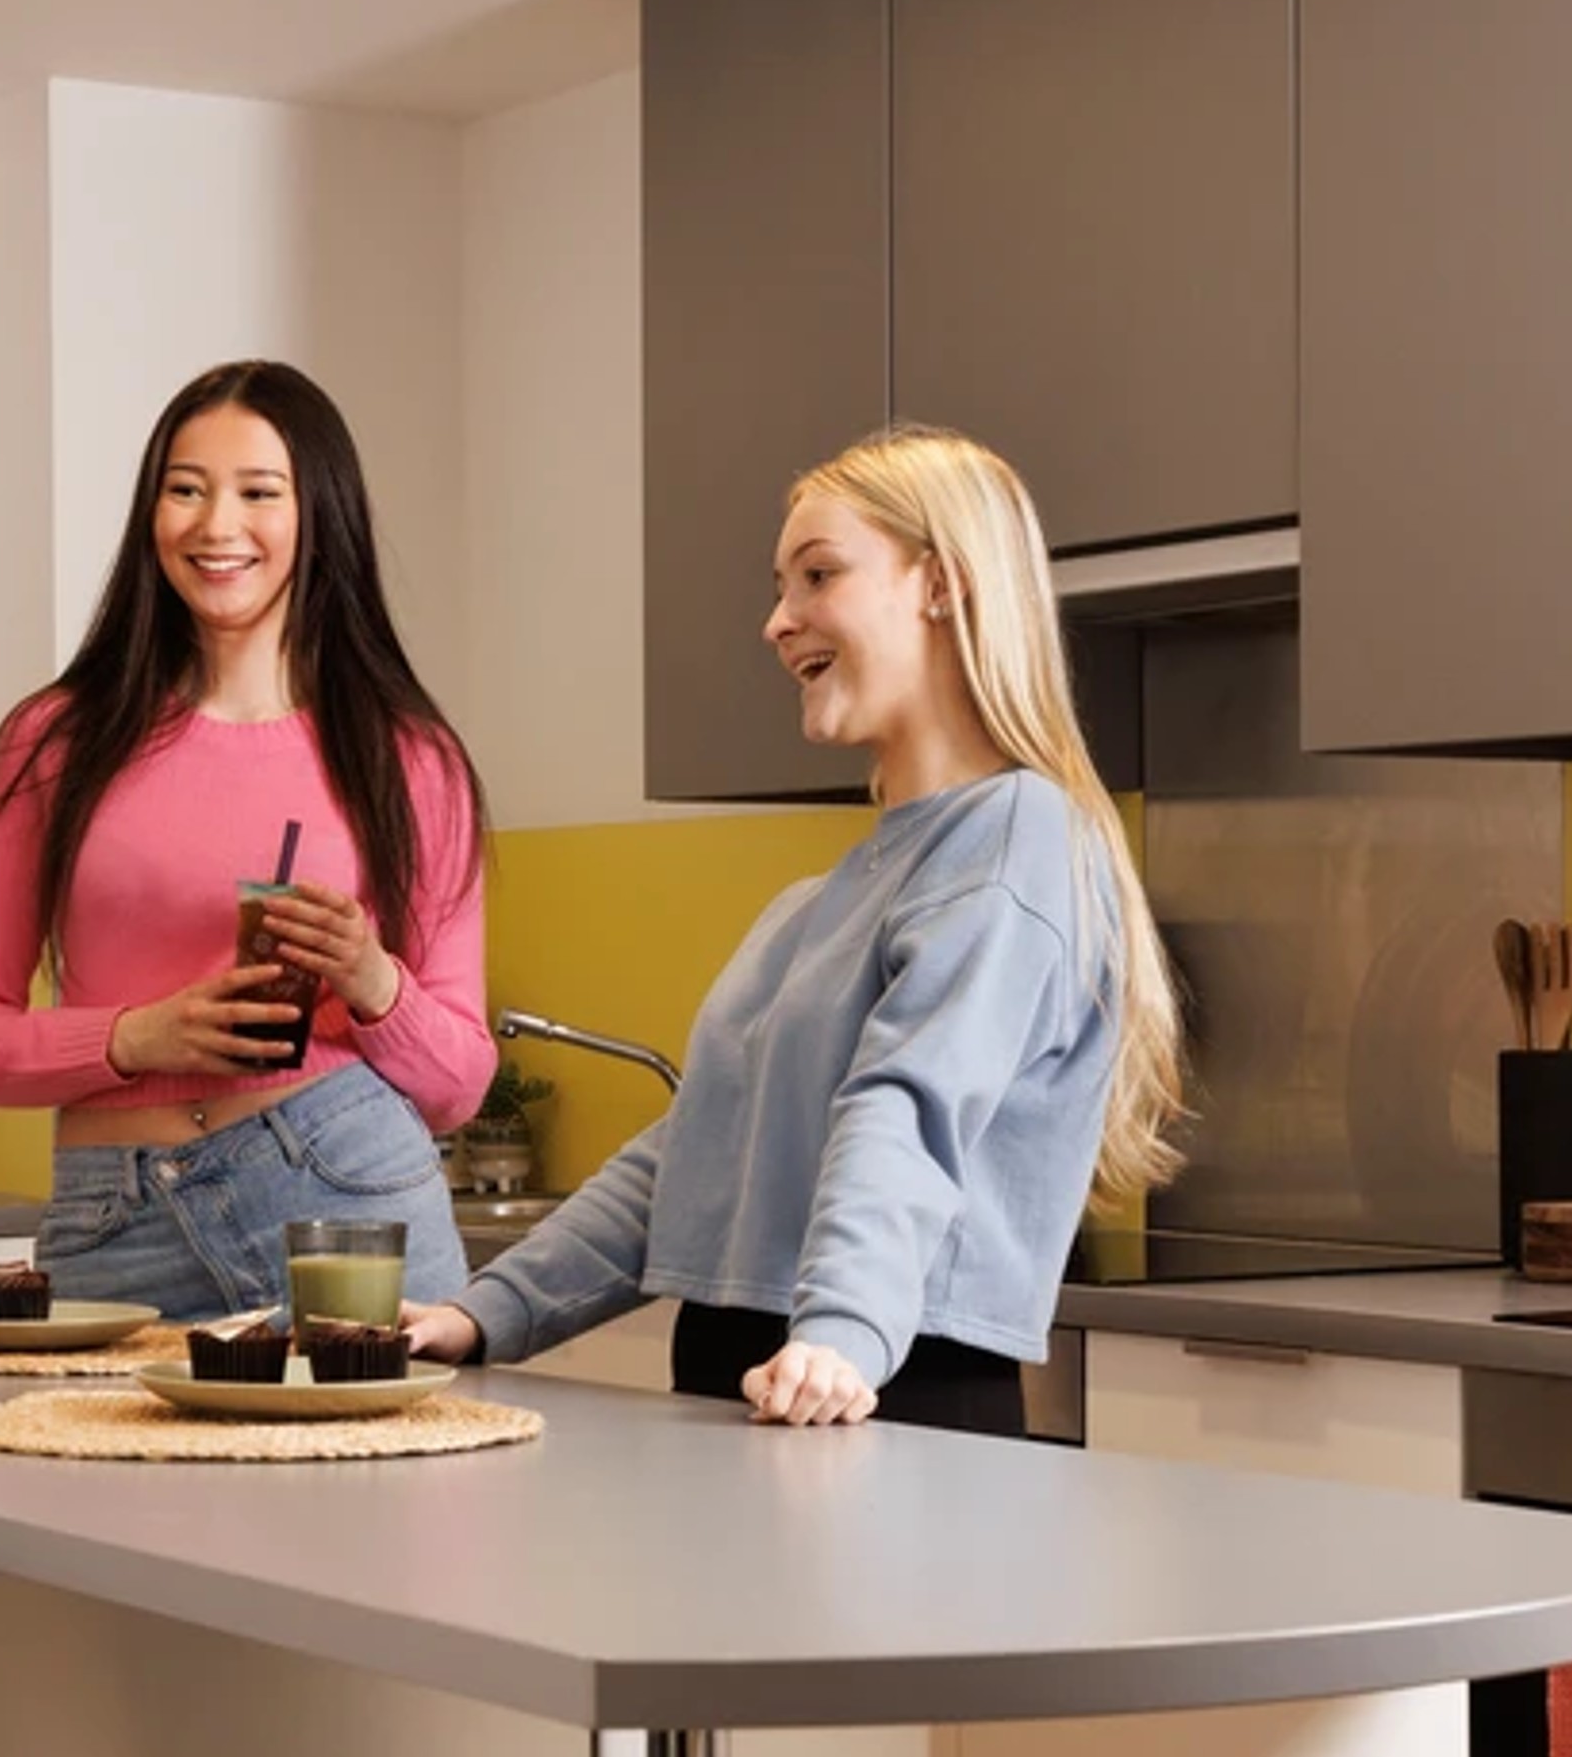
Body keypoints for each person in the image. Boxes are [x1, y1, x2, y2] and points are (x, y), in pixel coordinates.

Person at [406, 424, 1185, 1435]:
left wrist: (845, 1332)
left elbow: (911, 1104)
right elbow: (693, 1154)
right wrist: (483, 1313)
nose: (780, 621)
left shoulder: (1017, 835)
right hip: (777, 1375)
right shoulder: (821, 900)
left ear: (941, 581)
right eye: (780, 586)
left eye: (818, 574)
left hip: (887, 1383)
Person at [0, 359, 494, 1318]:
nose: (215, 525)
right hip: (114, 1223)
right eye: (184, 490)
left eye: (257, 493)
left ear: (319, 516)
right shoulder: (53, 743)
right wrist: (137, 1035)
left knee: (401, 1471)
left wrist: (370, 978)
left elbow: (458, 1085)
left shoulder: (410, 758)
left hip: (343, 1195)